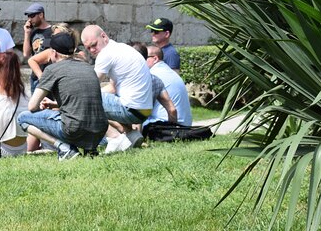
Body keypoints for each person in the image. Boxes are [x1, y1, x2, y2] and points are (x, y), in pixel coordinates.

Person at [18, 32, 108, 160]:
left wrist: (45, 110)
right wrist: (55, 105)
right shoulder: (88, 67)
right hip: (100, 129)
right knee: (76, 120)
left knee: (22, 118)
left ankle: (64, 148)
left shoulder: (52, 69)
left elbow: (32, 106)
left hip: (74, 129)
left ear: (53, 52)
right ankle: (90, 150)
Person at [81, 25, 152, 154]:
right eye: (88, 48)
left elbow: (90, 87)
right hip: (144, 111)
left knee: (86, 100)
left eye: (94, 45)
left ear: (103, 36)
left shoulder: (106, 54)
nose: (92, 50)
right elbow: (112, 88)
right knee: (98, 98)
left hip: (132, 110)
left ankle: (115, 138)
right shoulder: (122, 48)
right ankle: (131, 134)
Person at [145, 45, 192, 126]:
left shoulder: (153, 74)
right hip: (185, 124)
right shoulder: (169, 71)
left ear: (155, 59)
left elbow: (142, 105)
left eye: (144, 57)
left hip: (164, 125)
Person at [22, 2, 52, 93]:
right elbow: (26, 54)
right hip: (35, 77)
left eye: (32, 16)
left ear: (41, 15)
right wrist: (27, 33)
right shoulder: (33, 33)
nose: (29, 19)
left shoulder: (53, 31)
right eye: (28, 16)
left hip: (49, 76)